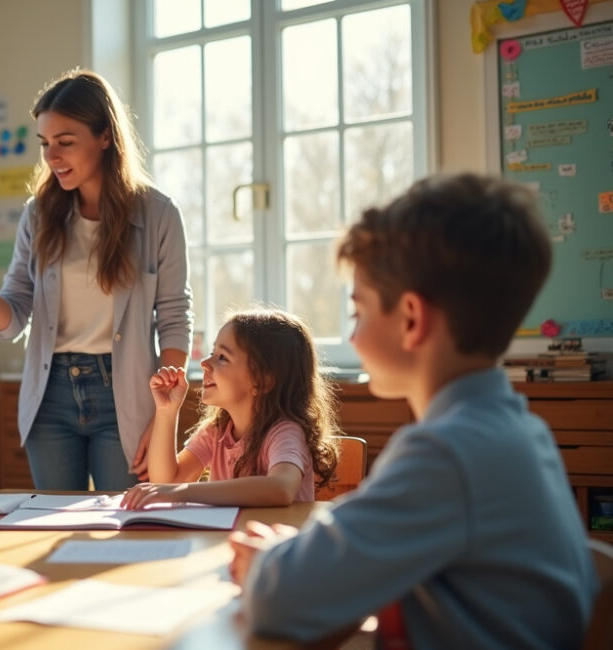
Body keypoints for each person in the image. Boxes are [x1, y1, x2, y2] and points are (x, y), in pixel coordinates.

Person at [228, 174, 598, 648]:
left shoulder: (445, 451)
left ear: (411, 319)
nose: (354, 336)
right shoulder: (516, 428)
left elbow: (278, 600)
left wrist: (271, 560)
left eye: (359, 312)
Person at [0, 69, 192, 491]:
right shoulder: (39, 214)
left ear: (106, 137)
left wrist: (163, 415)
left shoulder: (158, 214)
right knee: (51, 525)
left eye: (65, 142)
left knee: (128, 523)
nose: (52, 157)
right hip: (50, 394)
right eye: (45, 144)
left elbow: (174, 316)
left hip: (126, 395)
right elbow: (13, 318)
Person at [121, 308, 340, 509]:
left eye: (222, 357)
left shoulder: (285, 432)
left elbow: (280, 488)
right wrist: (166, 411)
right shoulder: (217, 432)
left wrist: (181, 492)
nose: (205, 363)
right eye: (212, 352)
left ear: (262, 381)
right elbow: (166, 482)